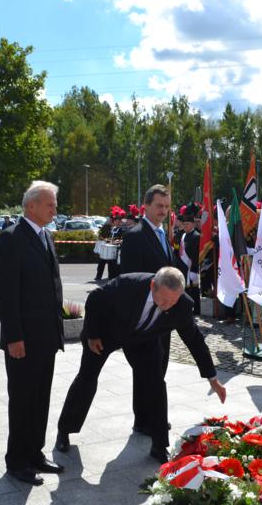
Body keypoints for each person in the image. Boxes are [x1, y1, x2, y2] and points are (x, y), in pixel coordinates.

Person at [55, 267, 226, 464]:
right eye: (162, 300)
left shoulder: (182, 305)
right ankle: (65, 429)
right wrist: (93, 334)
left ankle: (159, 445)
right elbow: (95, 299)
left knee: (155, 384)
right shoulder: (128, 284)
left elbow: (195, 340)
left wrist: (212, 378)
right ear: (153, 285)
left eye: (172, 301)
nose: (166, 306)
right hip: (106, 333)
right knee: (87, 378)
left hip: (144, 340)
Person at [0, 180, 64, 486]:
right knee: (22, 400)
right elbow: (6, 294)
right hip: (23, 338)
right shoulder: (12, 238)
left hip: (46, 337)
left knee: (41, 398)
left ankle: (35, 452)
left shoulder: (45, 236)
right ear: (31, 205)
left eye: (55, 205)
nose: (54, 209)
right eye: (50, 204)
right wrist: (13, 337)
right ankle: (17, 460)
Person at [117, 184, 174, 436]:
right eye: (159, 206)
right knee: (146, 368)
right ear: (146, 206)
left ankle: (151, 414)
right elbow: (130, 280)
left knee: (160, 365)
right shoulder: (135, 235)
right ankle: (144, 419)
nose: (163, 211)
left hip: (165, 314)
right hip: (145, 316)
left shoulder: (163, 234)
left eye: (166, 207)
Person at [176, 207, 201, 315]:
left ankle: (196, 309)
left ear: (192, 224)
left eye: (187, 224)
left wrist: (194, 269)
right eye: (184, 224)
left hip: (192, 267)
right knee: (185, 289)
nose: (185, 226)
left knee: (194, 290)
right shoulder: (183, 235)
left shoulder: (197, 236)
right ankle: (187, 308)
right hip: (183, 266)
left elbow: (197, 254)